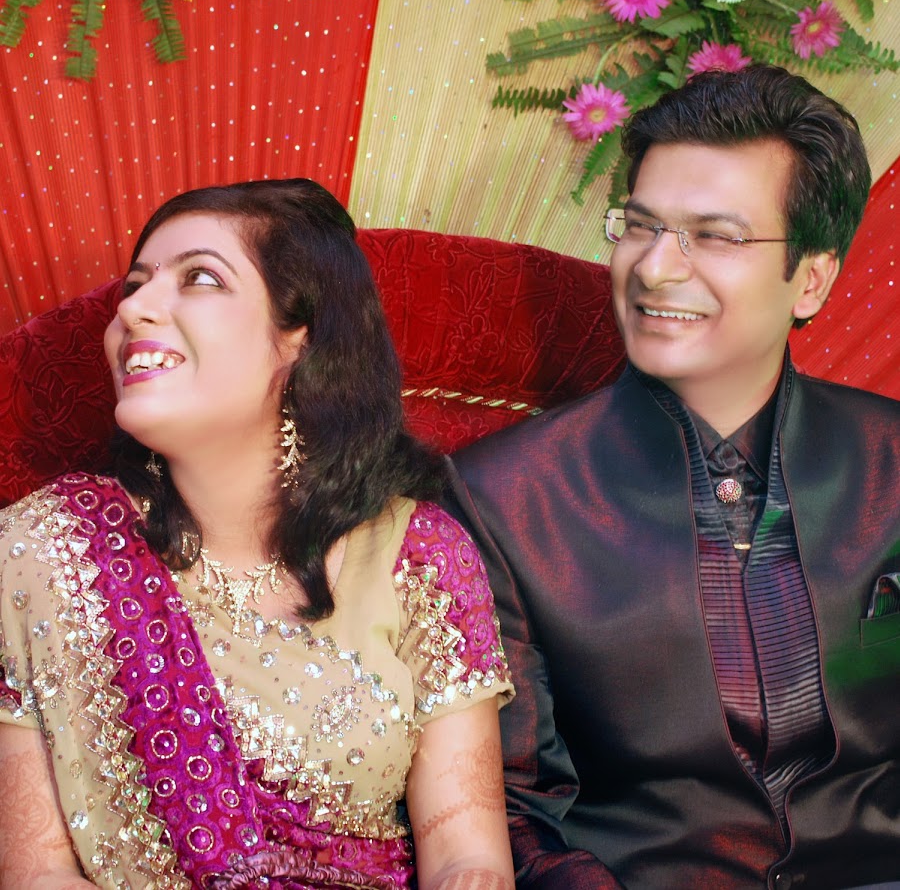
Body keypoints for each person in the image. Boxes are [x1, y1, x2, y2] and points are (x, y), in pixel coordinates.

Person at [446, 65, 900, 889]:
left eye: (715, 236)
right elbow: (510, 810)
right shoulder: (501, 499)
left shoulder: (892, 461)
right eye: (640, 226)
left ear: (812, 279)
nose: (655, 268)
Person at [0, 179, 515, 889]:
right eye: (137, 284)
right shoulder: (44, 552)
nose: (132, 309)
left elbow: (467, 856)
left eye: (200, 278)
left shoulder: (420, 555)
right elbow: (36, 874)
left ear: (299, 336)